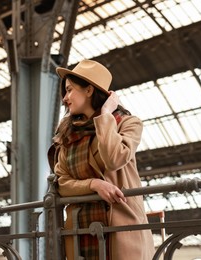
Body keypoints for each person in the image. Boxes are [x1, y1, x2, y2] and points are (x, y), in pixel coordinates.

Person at [51, 59, 155, 259]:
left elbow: (114, 158)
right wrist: (94, 184)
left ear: (89, 91)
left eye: (70, 90)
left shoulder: (127, 124)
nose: (65, 98)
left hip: (120, 231)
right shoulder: (68, 135)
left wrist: (106, 114)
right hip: (79, 233)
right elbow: (62, 184)